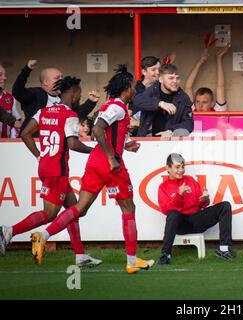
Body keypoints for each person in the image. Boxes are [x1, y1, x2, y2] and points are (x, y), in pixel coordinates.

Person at [27, 65, 154, 274]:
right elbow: (97, 129)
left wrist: (126, 143)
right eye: (133, 86)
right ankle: (132, 261)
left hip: (95, 162)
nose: (134, 90)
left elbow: (107, 131)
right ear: (126, 88)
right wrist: (112, 157)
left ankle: (44, 235)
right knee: (128, 209)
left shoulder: (111, 105)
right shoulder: (119, 107)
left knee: (79, 209)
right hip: (110, 165)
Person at [0, 76, 102, 267]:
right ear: (73, 94)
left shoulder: (43, 111)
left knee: (74, 211)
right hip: (58, 172)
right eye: (79, 93)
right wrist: (95, 150)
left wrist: (39, 155)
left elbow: (24, 133)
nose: (80, 96)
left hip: (46, 166)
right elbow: (72, 143)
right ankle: (9, 231)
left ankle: (80, 255)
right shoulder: (69, 114)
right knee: (50, 215)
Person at [157, 153, 235, 264]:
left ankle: (224, 249)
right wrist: (179, 195)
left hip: (197, 220)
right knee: (173, 214)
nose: (181, 170)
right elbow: (166, 211)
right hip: (180, 224)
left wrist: (204, 199)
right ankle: (165, 255)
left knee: (225, 206)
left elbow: (201, 205)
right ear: (168, 168)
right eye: (177, 167)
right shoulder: (163, 187)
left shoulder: (190, 180)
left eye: (183, 167)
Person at [12, 59, 99, 134]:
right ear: (45, 82)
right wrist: (27, 70)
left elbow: (76, 114)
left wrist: (91, 102)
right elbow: (17, 91)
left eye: (62, 77)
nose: (61, 80)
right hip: (36, 142)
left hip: (58, 143)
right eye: (57, 78)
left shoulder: (63, 97)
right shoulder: (36, 94)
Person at [132, 64, 194, 139]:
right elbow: (137, 101)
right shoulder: (152, 90)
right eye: (171, 78)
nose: (175, 81)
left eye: (177, 78)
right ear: (161, 79)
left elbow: (189, 123)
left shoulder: (183, 98)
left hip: (170, 142)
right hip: (147, 140)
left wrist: (171, 131)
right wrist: (160, 103)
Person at [184, 43, 230, 112]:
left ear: (212, 103)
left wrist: (218, 58)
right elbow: (187, 87)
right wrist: (200, 61)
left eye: (204, 102)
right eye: (197, 102)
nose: (200, 106)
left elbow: (221, 86)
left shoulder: (218, 111)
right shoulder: (192, 110)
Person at [0, 64, 22, 138]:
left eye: (5, 75)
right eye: (0, 75)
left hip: (6, 144)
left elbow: (17, 122)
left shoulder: (10, 98)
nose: (5, 78)